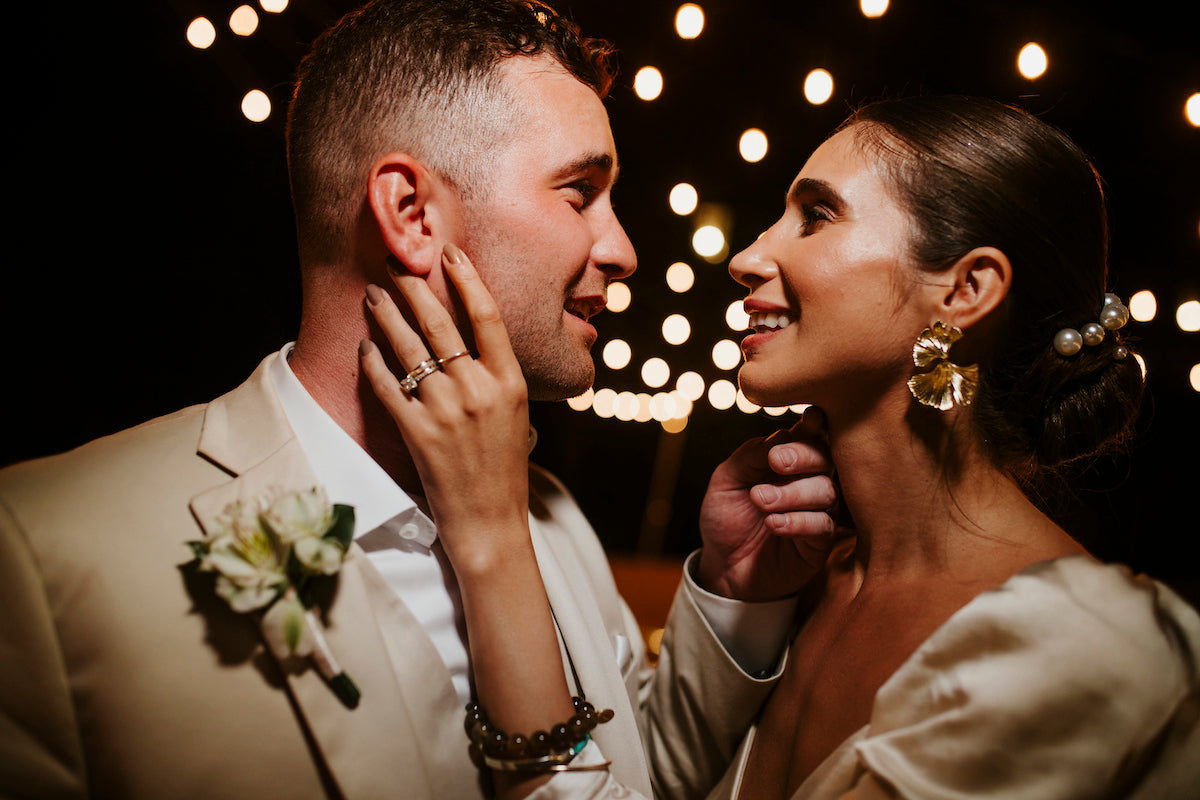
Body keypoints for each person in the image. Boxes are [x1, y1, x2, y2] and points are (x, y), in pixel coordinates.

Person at [0, 1, 834, 798]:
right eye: (580, 193)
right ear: (410, 213)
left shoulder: (550, 514)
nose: (622, 251)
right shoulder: (40, 550)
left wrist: (737, 592)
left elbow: (633, 773)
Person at [674, 95, 1198, 799]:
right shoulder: (794, 587)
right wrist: (734, 594)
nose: (747, 257)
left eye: (816, 216)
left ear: (965, 290)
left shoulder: (1074, 646)